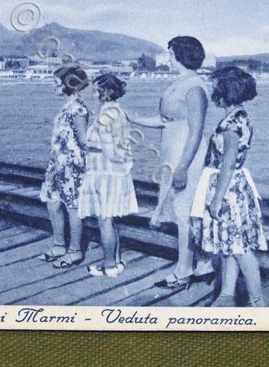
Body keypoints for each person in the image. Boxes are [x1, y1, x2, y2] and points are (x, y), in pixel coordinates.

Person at [131, 36, 213, 288]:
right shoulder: (181, 83)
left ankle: (184, 269)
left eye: (170, 53)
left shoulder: (195, 87)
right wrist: (132, 118)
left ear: (179, 55)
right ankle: (203, 264)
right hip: (172, 151)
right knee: (182, 211)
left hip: (186, 155)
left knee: (184, 212)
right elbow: (166, 121)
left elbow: (196, 130)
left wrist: (183, 167)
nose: (167, 57)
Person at [191, 66, 267, 307]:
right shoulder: (237, 117)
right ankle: (226, 295)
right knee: (230, 244)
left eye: (215, 86)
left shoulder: (231, 124)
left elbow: (228, 164)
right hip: (234, 187)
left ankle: (257, 302)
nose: (212, 90)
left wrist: (216, 199)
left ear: (225, 90)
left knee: (240, 248)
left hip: (229, 190)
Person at [79, 74, 138, 277]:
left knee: (104, 221)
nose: (93, 93)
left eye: (96, 90)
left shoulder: (105, 115)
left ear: (106, 92)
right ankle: (117, 261)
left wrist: (91, 148)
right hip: (115, 173)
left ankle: (109, 265)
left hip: (103, 172)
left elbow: (109, 149)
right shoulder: (117, 111)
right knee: (111, 220)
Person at [39, 65, 89, 268]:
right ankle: (59, 245)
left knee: (73, 207)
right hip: (57, 164)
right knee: (53, 203)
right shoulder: (67, 106)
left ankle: (75, 251)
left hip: (72, 166)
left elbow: (84, 140)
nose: (54, 85)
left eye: (56, 81)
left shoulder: (78, 108)